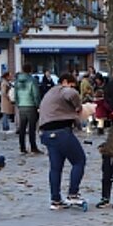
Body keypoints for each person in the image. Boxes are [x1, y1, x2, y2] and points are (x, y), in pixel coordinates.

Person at [37, 72, 88, 210]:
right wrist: (78, 107)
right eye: (73, 85)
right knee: (79, 161)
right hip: (61, 131)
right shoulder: (62, 90)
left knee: (55, 167)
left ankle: (55, 199)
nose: (73, 88)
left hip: (46, 133)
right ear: (65, 82)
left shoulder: (49, 93)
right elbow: (70, 94)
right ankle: (73, 194)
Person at [13, 65, 41, 155]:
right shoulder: (32, 80)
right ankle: (33, 147)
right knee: (32, 128)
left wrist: (18, 103)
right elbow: (36, 94)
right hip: (31, 105)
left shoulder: (17, 81)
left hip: (21, 105)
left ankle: (22, 147)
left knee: (22, 127)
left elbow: (15, 94)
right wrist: (38, 105)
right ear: (30, 70)